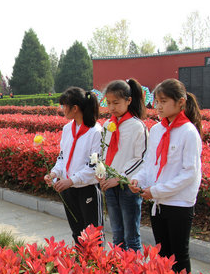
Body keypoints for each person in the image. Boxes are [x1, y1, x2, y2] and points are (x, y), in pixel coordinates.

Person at [129, 78, 202, 273]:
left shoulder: (188, 132)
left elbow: (190, 173)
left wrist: (157, 190)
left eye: (163, 101)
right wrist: (139, 180)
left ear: (180, 102)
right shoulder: (157, 130)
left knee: (179, 255)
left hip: (179, 202)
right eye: (157, 101)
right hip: (158, 202)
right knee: (163, 254)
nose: (158, 106)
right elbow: (150, 163)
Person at [44, 87, 102, 245]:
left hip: (87, 188)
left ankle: (95, 268)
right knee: (77, 232)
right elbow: (62, 156)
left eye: (64, 105)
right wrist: (55, 173)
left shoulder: (95, 131)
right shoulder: (67, 129)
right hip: (69, 189)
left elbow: (94, 166)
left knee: (92, 235)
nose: (61, 109)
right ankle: (80, 266)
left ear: (75, 108)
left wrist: (71, 180)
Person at [99, 79, 148, 251]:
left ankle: (134, 273)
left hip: (128, 187)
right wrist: (101, 172)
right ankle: (119, 272)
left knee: (131, 236)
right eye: (109, 103)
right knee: (117, 233)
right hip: (110, 186)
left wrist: (119, 178)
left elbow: (141, 158)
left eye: (116, 103)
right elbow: (103, 152)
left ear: (129, 100)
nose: (112, 107)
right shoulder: (107, 125)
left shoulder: (137, 126)